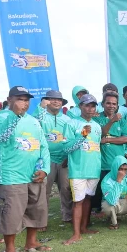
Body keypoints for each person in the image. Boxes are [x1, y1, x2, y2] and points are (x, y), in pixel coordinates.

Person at [0, 86, 51, 252]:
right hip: (12, 176)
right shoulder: (2, 118)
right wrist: (15, 116)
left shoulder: (33, 121)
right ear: (10, 100)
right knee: (11, 213)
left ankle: (31, 242)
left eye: (26, 100)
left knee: (36, 209)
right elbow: (0, 137)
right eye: (19, 99)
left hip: (34, 174)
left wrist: (45, 169)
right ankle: (10, 249)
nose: (23, 103)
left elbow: (43, 146)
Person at [62, 94, 102, 245]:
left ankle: (84, 228)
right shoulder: (71, 124)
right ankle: (76, 233)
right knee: (77, 201)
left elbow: (97, 147)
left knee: (88, 199)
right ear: (80, 107)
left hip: (93, 169)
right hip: (78, 169)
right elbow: (66, 148)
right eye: (87, 105)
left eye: (93, 105)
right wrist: (82, 136)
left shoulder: (97, 126)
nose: (90, 108)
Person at [33, 90, 73, 225]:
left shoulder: (67, 119)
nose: (56, 101)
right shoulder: (41, 116)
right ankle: (40, 221)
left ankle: (68, 216)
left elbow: (71, 139)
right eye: (52, 99)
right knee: (44, 191)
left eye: (59, 100)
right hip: (46, 160)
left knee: (66, 190)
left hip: (63, 160)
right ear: (46, 101)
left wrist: (68, 156)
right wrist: (41, 108)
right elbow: (33, 123)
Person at [92, 92, 127, 216]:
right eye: (108, 103)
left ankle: (115, 211)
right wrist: (111, 121)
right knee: (102, 188)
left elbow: (126, 138)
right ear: (102, 104)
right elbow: (100, 135)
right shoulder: (96, 119)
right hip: (102, 163)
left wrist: (108, 140)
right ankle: (100, 210)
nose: (111, 106)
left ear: (117, 106)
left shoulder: (122, 121)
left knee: (117, 187)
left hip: (117, 163)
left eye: (114, 104)